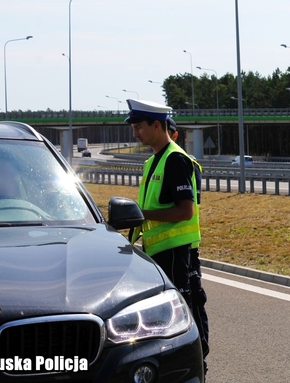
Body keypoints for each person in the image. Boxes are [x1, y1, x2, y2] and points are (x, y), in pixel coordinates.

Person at [125, 100, 208, 373]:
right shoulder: (152, 161)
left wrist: (142, 214)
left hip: (175, 253)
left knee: (186, 314)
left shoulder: (176, 160)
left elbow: (185, 211)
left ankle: (196, 366)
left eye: (139, 127)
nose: (135, 133)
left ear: (156, 125)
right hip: (156, 253)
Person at [166, 117, 209, 364]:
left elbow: (187, 208)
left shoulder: (182, 162)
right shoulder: (160, 161)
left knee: (192, 304)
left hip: (184, 246)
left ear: (175, 134)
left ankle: (198, 359)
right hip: (175, 245)